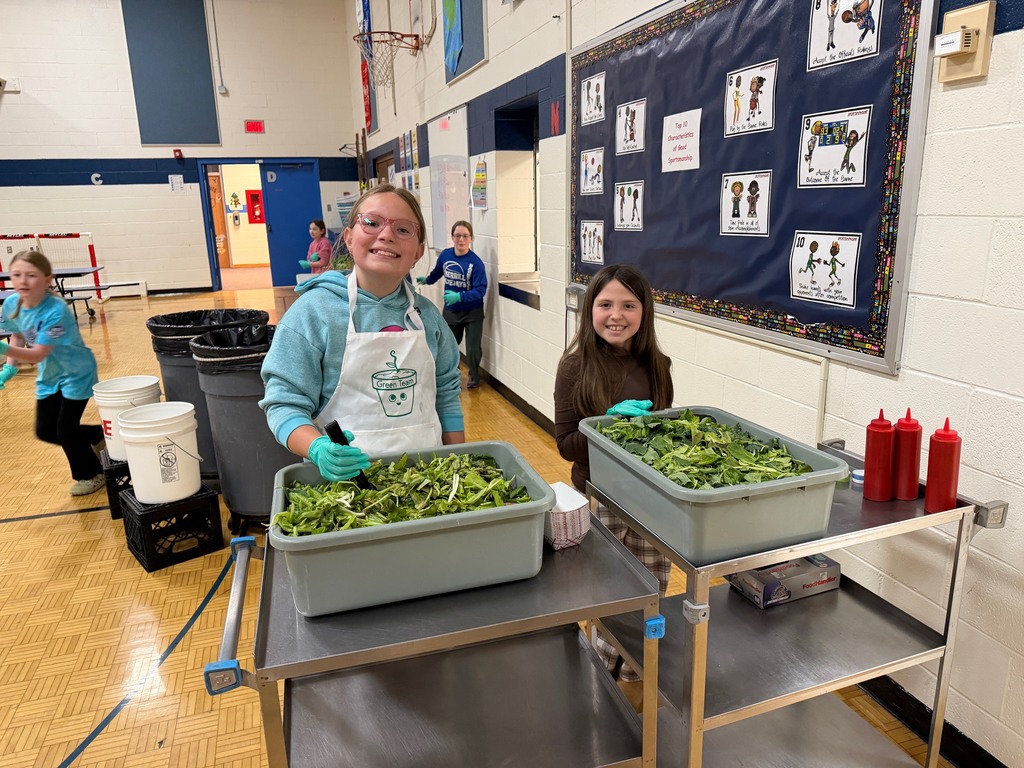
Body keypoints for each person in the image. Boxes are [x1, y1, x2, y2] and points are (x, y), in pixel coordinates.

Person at [261, 184, 465, 481]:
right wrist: (318, 447)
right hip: (343, 491)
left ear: (418, 252)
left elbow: (446, 395)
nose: (386, 235)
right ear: (349, 237)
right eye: (371, 223)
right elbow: (283, 403)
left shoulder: (428, 318)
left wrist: (458, 464)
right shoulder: (314, 313)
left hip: (427, 483)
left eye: (404, 229)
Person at [553, 264, 674, 697]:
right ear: (590, 310)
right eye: (605, 304)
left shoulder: (658, 365)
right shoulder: (574, 369)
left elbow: (661, 436)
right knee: (606, 590)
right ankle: (600, 677)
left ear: (645, 312)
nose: (616, 314)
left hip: (650, 500)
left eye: (628, 305)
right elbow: (566, 443)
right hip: (599, 496)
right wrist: (603, 428)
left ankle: (634, 670)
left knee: (651, 584)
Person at [0, 250, 106, 496]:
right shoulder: (11, 304)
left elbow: (38, 353)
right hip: (50, 374)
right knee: (45, 430)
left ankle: (91, 474)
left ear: (47, 280)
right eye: (16, 275)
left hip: (76, 373)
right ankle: (97, 435)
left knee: (65, 430)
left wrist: (2, 349)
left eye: (31, 275)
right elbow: (17, 335)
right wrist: (9, 367)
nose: (23, 281)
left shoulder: (57, 311)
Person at [416, 220, 488, 389]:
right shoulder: (446, 256)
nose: (461, 240)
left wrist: (460, 296)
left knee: (472, 349)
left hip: (473, 312)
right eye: (457, 236)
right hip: (451, 310)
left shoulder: (475, 263)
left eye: (465, 236)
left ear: (471, 238)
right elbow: (438, 272)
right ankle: (451, 376)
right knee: (448, 346)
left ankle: (474, 376)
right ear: (452, 237)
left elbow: (481, 289)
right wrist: (427, 280)